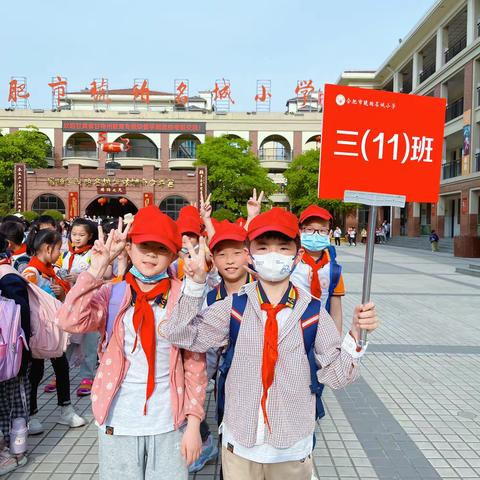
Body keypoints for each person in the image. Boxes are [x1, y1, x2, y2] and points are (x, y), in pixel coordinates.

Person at [163, 207, 379, 480]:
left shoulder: (312, 312)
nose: (272, 255)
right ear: (250, 254)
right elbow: (180, 335)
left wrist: (356, 335)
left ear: (298, 255)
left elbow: (335, 376)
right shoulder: (233, 307)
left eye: (283, 247)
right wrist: (194, 286)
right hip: (240, 445)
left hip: (291, 449)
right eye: (263, 247)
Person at [57, 207, 207, 480]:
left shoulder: (183, 297)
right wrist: (97, 269)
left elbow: (194, 363)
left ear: (173, 254)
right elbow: (69, 321)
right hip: (118, 418)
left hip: (168, 421)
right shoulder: (112, 292)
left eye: (160, 248)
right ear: (129, 247)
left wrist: (194, 424)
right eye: (144, 245)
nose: (151, 254)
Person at [22, 226, 86, 433]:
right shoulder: (31, 272)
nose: (60, 254)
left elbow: (64, 296)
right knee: (36, 372)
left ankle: (66, 410)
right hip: (38, 330)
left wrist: (60, 292)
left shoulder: (54, 271)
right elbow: (31, 299)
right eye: (58, 249)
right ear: (48, 249)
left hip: (56, 329)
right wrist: (52, 292)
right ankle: (30, 415)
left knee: (62, 368)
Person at [0, 233, 30, 475]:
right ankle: (15, 452)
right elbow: (24, 321)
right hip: (10, 356)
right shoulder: (11, 276)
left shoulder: (9, 277)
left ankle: (11, 452)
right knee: (14, 402)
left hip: (8, 354)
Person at [58, 218, 98, 397]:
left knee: (89, 342)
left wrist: (80, 277)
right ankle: (61, 373)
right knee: (67, 341)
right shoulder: (66, 255)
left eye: (81, 235)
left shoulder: (94, 253)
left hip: (90, 304)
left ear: (90, 236)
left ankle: (87, 376)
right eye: (74, 234)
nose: (77, 238)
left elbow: (103, 275)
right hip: (70, 303)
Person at [291, 205, 345, 333]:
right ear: (300, 231)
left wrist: (335, 344)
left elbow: (336, 311)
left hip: (320, 332)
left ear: (330, 234)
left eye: (322, 230)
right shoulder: (290, 263)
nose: (315, 235)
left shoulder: (334, 270)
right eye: (309, 229)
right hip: (290, 331)